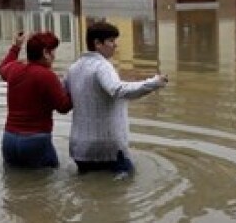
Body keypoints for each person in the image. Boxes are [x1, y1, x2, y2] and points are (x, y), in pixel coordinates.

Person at [66, 21, 167, 174]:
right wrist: (153, 83)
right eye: (111, 41)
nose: (115, 45)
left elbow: (64, 99)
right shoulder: (102, 66)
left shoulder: (73, 68)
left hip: (80, 149)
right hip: (107, 148)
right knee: (125, 185)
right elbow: (118, 90)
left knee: (88, 191)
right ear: (98, 43)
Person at [0, 30, 72, 169]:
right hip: (35, 141)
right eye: (53, 52)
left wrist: (16, 47)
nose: (54, 56)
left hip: (9, 140)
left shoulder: (14, 69)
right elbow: (63, 107)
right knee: (46, 184)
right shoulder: (47, 76)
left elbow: (2, 68)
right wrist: (75, 88)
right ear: (45, 52)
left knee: (15, 186)